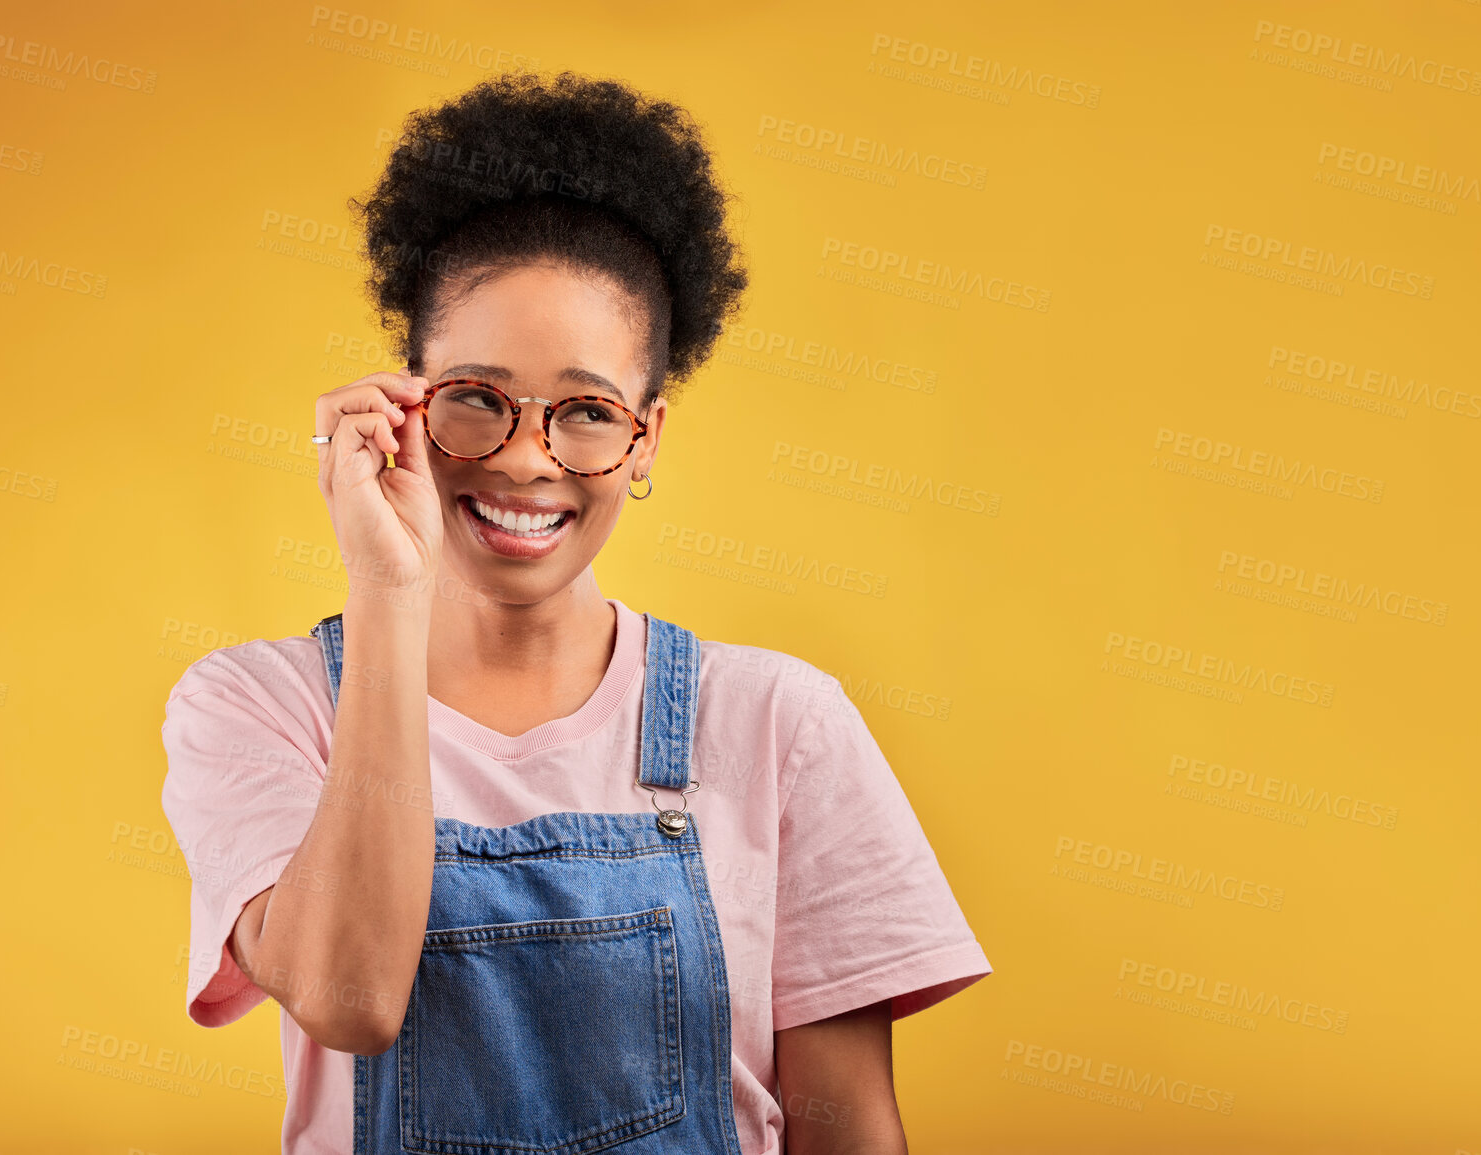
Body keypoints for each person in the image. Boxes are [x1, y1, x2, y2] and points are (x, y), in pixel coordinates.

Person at [160, 70, 991, 1155]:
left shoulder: (781, 724)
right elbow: (349, 998)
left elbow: (849, 1135)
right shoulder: (256, 706)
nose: (523, 457)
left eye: (587, 413)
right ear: (402, 401)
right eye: (476, 397)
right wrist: (389, 589)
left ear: (646, 439)